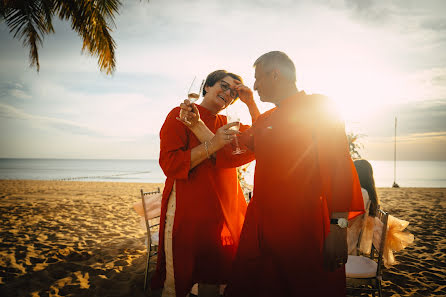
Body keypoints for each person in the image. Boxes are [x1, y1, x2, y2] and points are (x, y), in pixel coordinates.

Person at [219, 51, 365, 296]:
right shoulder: (268, 117)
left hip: (302, 228)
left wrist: (338, 228)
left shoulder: (319, 107)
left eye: (257, 78)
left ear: (275, 74)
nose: (253, 85)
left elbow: (339, 167)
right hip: (261, 230)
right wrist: (198, 123)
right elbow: (246, 141)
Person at [152, 70, 260, 297]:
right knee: (178, 281)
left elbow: (261, 140)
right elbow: (170, 164)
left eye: (235, 92)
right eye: (224, 85)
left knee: (216, 278)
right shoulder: (179, 115)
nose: (229, 93)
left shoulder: (228, 123)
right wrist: (213, 145)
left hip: (222, 215)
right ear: (208, 86)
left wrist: (250, 103)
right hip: (187, 212)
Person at [347, 159, 380, 255]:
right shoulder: (364, 192)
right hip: (351, 238)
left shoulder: (360, 193)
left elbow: (348, 222)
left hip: (347, 244)